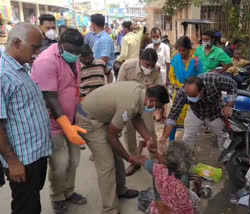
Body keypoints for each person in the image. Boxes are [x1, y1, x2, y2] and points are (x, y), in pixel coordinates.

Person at [75, 82, 170, 214]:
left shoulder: (142, 92)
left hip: (101, 118)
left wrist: (148, 139)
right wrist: (130, 158)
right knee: (107, 165)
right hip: (88, 120)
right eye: (157, 107)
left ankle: (120, 190)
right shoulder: (129, 104)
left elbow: (137, 118)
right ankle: (110, 209)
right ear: (152, 101)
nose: (155, 110)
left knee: (116, 157)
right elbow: (112, 136)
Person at [31, 29, 87, 214]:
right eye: (72, 51)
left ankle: (69, 191)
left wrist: (80, 111)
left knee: (74, 160)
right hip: (53, 122)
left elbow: (74, 87)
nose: (75, 55)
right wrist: (66, 126)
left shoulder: (75, 58)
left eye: (78, 52)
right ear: (60, 43)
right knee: (60, 163)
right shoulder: (46, 61)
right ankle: (57, 196)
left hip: (71, 118)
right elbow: (51, 98)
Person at [0, 23, 53, 214]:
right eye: (34, 48)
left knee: (32, 199)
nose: (37, 53)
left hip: (35, 153)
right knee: (26, 206)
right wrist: (12, 162)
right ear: (16, 42)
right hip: (21, 158)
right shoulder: (3, 75)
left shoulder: (21, 69)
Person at [160, 73, 237, 153]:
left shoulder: (214, 79)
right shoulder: (182, 93)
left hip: (215, 112)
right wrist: (164, 138)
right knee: (188, 138)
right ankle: (187, 158)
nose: (190, 98)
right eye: (188, 96)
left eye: (193, 96)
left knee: (224, 135)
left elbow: (232, 85)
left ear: (202, 90)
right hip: (195, 113)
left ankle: (226, 156)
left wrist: (229, 105)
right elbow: (173, 116)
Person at [118, 48, 162, 176]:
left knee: (149, 130)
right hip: (128, 103)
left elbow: (159, 89)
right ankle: (135, 160)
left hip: (146, 104)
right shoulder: (126, 67)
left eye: (152, 65)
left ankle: (155, 160)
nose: (149, 67)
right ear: (140, 59)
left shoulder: (156, 70)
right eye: (147, 64)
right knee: (129, 131)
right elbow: (119, 88)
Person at [137, 141, 198, 214]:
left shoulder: (157, 169)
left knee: (144, 195)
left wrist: (141, 144)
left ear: (167, 156)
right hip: (181, 210)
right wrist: (156, 152)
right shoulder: (184, 178)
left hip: (163, 209)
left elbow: (139, 158)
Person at [169, 36, 204, 141]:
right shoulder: (175, 60)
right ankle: (171, 142)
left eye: (183, 50)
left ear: (189, 49)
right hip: (178, 93)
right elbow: (171, 76)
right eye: (178, 50)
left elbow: (201, 77)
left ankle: (188, 144)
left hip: (192, 94)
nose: (180, 52)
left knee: (190, 122)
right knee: (174, 118)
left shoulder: (196, 61)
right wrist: (175, 85)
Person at [145, 27, 171, 120]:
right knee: (153, 94)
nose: (155, 38)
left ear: (160, 36)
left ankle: (163, 113)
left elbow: (168, 63)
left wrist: (168, 78)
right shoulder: (148, 47)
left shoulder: (165, 48)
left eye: (157, 36)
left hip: (162, 75)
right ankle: (156, 113)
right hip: (151, 75)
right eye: (153, 36)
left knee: (163, 94)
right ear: (151, 36)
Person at [91, 14, 115, 83]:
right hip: (100, 72)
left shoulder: (104, 38)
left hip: (102, 74)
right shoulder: (99, 37)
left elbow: (104, 59)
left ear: (93, 25)